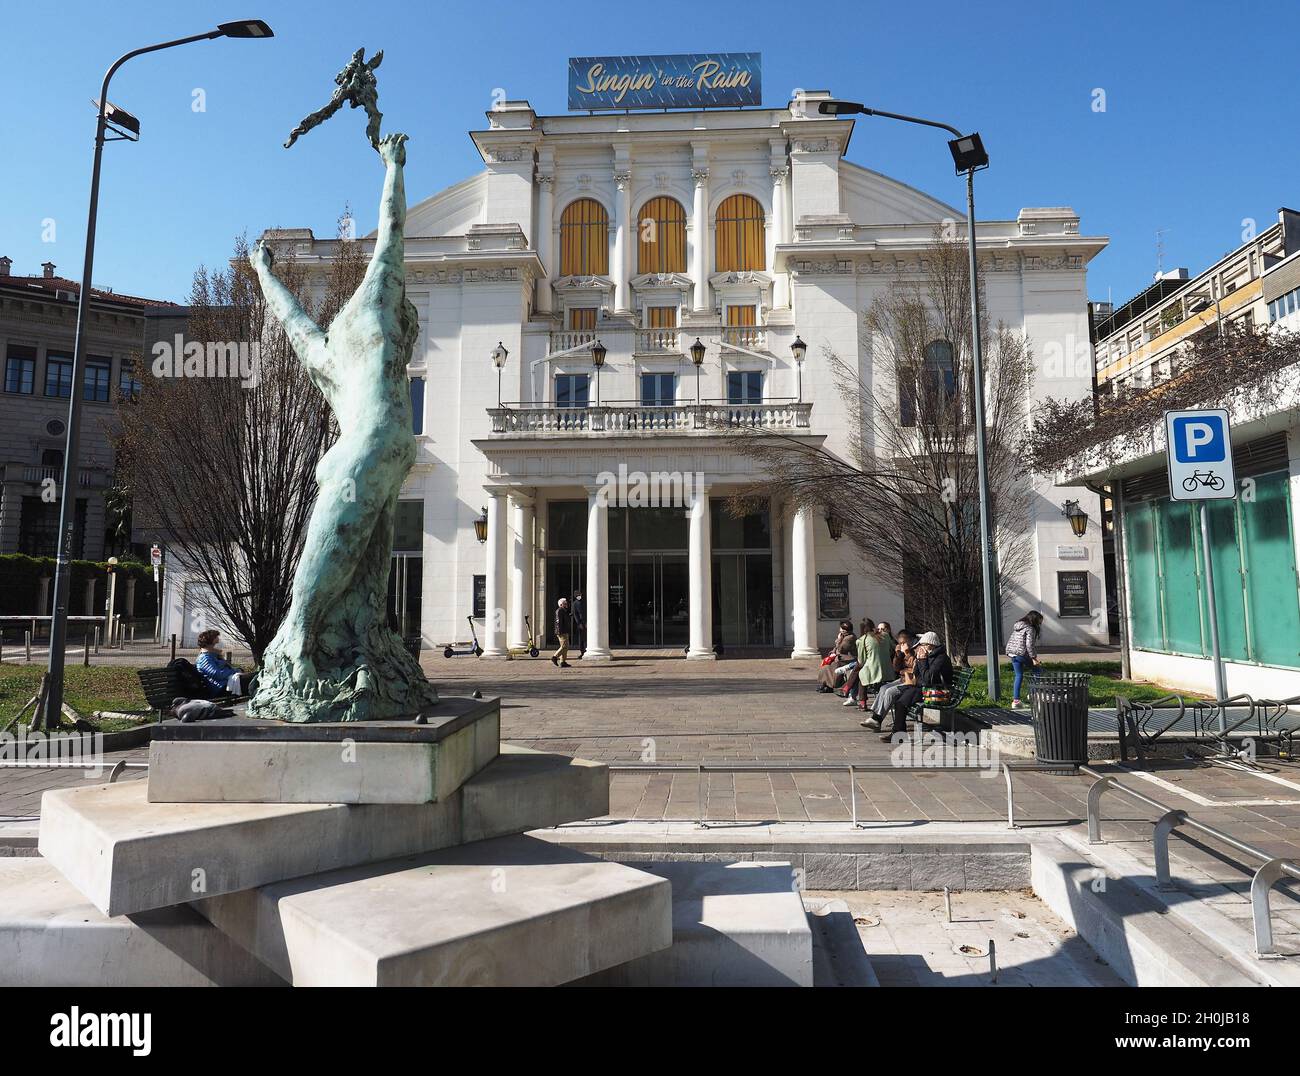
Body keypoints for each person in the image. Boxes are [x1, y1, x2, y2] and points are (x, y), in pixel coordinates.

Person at [880, 630, 953, 739]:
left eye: (922, 645)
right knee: (899, 700)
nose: (920, 647)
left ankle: (898, 734)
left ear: (930, 645)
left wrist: (922, 661)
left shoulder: (940, 658)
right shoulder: (929, 655)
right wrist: (918, 660)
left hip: (936, 690)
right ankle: (898, 733)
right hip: (924, 687)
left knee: (902, 702)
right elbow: (918, 676)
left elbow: (928, 679)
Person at [860, 630, 915, 728]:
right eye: (900, 643)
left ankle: (877, 719)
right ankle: (875, 717)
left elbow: (914, 669)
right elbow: (897, 668)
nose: (902, 645)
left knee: (890, 691)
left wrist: (908, 654)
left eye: (904, 643)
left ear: (910, 641)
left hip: (912, 681)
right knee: (884, 688)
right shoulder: (903, 652)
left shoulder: (916, 652)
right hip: (904, 679)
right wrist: (899, 655)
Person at [844, 622, 893, 707]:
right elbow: (892, 648)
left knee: (861, 673)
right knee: (860, 670)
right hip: (888, 668)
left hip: (874, 670)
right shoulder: (885, 635)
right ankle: (847, 687)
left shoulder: (862, 639)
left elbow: (861, 660)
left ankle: (860, 700)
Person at [195, 630, 255, 696]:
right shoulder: (204, 658)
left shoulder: (212, 654)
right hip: (220, 687)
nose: (218, 640)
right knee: (254, 679)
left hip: (227, 683)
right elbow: (217, 674)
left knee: (256, 676)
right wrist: (234, 671)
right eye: (215, 637)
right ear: (210, 640)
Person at [1006, 610, 1044, 708]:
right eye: (1039, 621)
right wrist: (1034, 658)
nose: (1040, 624)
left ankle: (1016, 701)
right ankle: (1033, 694)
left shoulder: (1018, 626)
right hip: (1021, 654)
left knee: (1018, 675)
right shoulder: (1030, 628)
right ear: (1034, 620)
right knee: (1038, 670)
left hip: (1012, 653)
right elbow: (1029, 645)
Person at [817, 621, 857, 692]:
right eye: (842, 628)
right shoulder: (843, 636)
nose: (842, 630)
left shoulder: (850, 637)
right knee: (825, 665)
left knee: (833, 666)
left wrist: (838, 640)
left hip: (847, 659)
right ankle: (826, 684)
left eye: (844, 629)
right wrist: (832, 653)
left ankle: (831, 685)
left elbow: (842, 649)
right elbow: (836, 648)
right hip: (840, 657)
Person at [552, 597, 573, 668]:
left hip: (564, 631)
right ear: (561, 604)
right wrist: (559, 631)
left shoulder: (563, 611)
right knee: (564, 646)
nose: (566, 604)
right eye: (565, 603)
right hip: (562, 632)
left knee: (565, 647)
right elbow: (558, 622)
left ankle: (563, 661)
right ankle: (555, 657)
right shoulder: (560, 611)